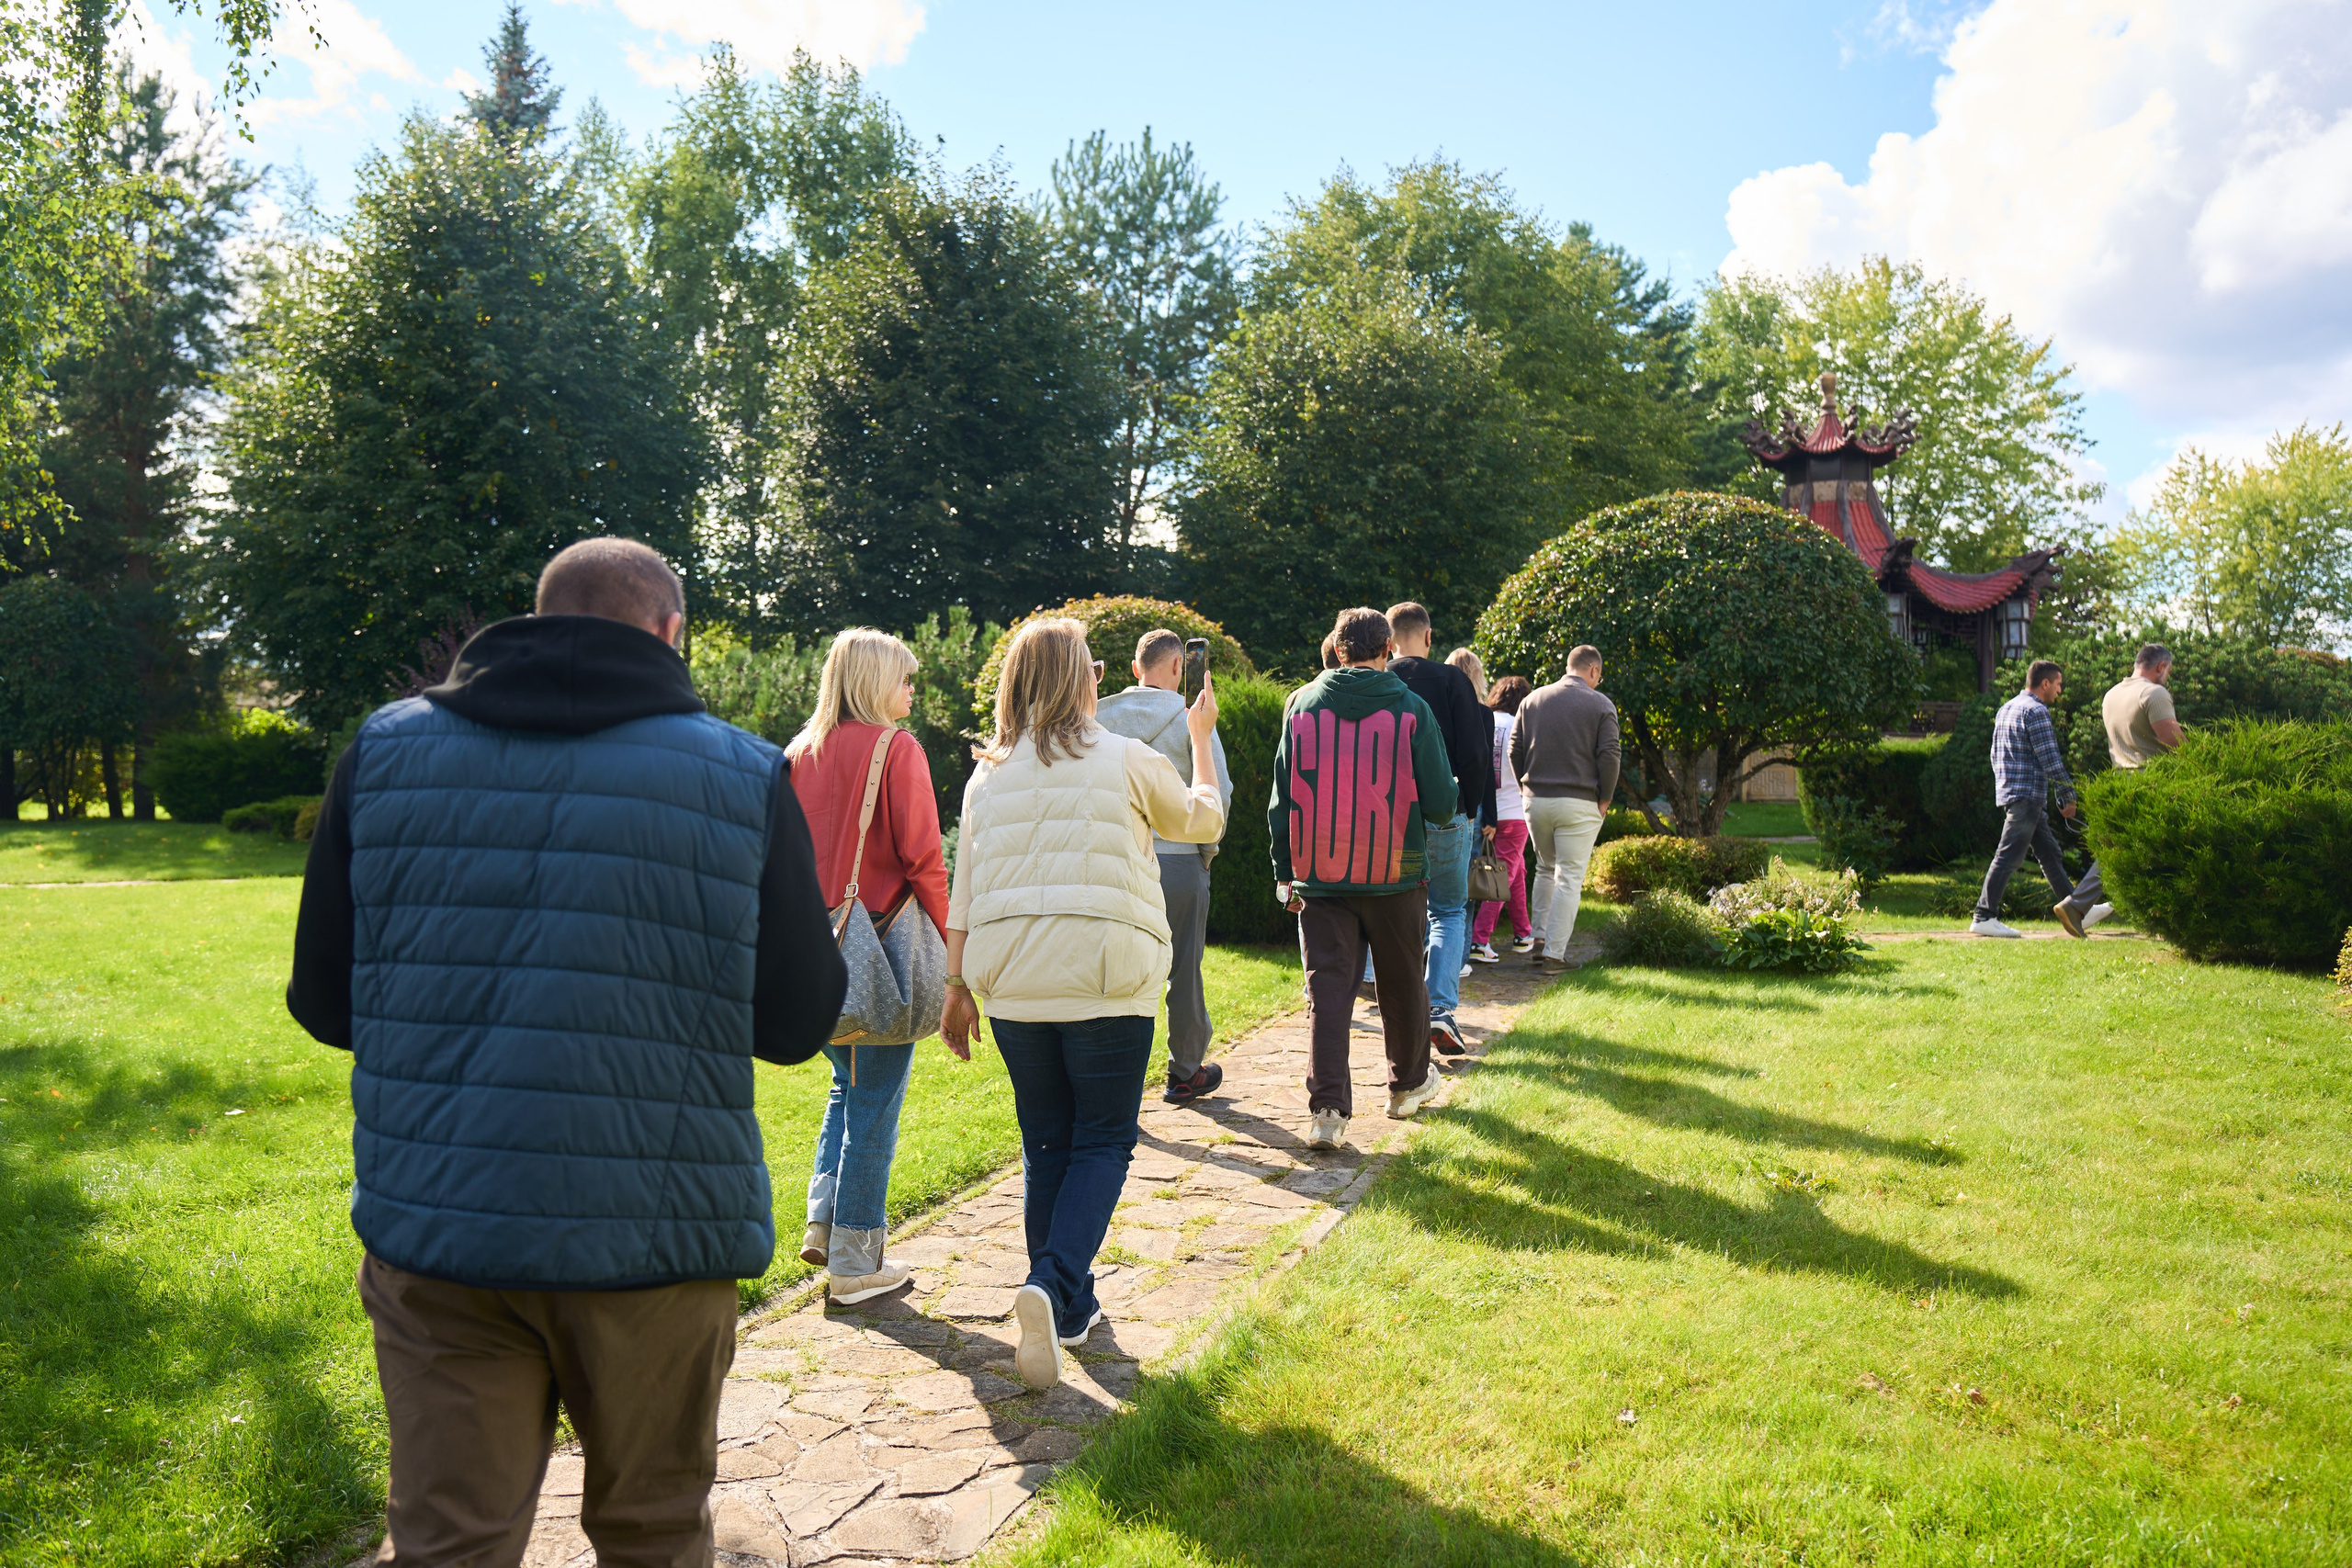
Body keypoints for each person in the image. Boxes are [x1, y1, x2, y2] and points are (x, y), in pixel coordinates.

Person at [288, 538, 846, 1568]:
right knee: (654, 1534)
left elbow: (325, 1002)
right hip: (656, 1244)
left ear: (536, 619)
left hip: (444, 1232)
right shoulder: (740, 772)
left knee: (449, 1542)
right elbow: (796, 1024)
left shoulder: (384, 749)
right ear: (671, 633)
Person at [939, 618, 1224, 1391]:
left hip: (1013, 983)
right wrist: (1200, 739)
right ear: (1080, 679)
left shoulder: (986, 774)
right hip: (1105, 972)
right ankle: (1054, 1278)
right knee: (1103, 1140)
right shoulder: (1126, 759)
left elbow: (962, 888)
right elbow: (1203, 818)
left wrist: (955, 985)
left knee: (1047, 1144)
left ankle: (1069, 1307)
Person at [786, 628, 953, 1303]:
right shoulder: (895, 748)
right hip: (877, 950)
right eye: (904, 679)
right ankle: (856, 1260)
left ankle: (824, 1221)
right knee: (876, 1101)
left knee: (845, 1084)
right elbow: (924, 860)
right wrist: (955, 944)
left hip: (811, 949)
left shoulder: (799, 752)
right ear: (872, 681)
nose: (911, 692)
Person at [1271, 607, 1458, 1154]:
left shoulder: (1299, 704)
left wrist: (1286, 875)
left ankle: (1327, 1110)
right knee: (1402, 983)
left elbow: (1281, 800)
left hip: (1319, 875)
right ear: (1386, 653)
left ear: (1338, 648)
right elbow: (1443, 803)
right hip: (1395, 873)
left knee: (1327, 992)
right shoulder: (1411, 707)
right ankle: (1406, 1086)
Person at [1097, 628, 1235, 1106]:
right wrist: (1205, 855)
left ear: (1136, 668)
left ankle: (1113, 1081)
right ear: (1178, 668)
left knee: (1115, 973)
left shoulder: (1098, 714)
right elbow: (1220, 794)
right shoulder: (1192, 718)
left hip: (1115, 863)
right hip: (1178, 861)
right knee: (1184, 971)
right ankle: (1185, 1071)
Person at [1384, 603, 1495, 1056]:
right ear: (1429, 637)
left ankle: (1407, 1012)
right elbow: (1474, 752)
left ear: (1388, 642)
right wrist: (1468, 807)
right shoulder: (1452, 682)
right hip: (1448, 814)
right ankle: (1440, 1009)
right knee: (1448, 912)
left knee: (1396, 915)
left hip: (1390, 817)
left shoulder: (1378, 681)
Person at [1510, 645, 1619, 971]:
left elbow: (1514, 748)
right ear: (1594, 671)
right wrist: (1606, 798)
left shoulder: (1533, 700)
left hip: (1536, 800)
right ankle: (1555, 955)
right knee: (1569, 877)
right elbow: (1610, 754)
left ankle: (1539, 939)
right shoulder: (1601, 704)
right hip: (1579, 801)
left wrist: (1523, 785)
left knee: (1545, 867)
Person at [1971, 659, 2091, 938]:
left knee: (2049, 854)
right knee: (2009, 855)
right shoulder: (2036, 711)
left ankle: (2076, 907)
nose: (2060, 691)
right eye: (2058, 684)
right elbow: (2050, 758)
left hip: (2015, 792)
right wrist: (2067, 794)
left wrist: (2005, 786)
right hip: (2027, 796)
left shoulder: (2007, 708)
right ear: (2045, 683)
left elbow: (1994, 755)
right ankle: (1984, 915)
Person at [1471, 675, 1534, 963]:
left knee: (1516, 872)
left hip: (1486, 812)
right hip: (1514, 812)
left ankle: (1523, 934)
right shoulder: (1520, 726)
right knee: (1504, 878)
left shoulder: (1483, 721)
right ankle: (1479, 940)